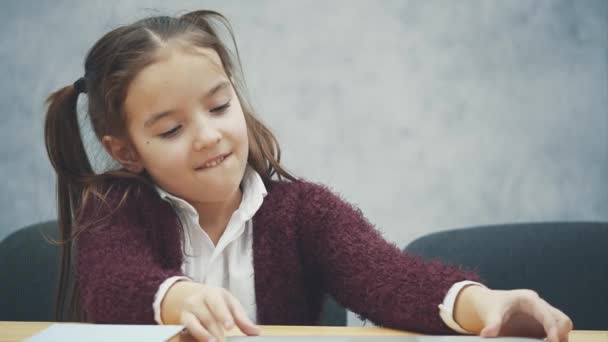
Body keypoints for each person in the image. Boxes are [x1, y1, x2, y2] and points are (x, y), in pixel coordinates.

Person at [43, 10, 572, 342]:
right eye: (172, 128)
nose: (208, 136)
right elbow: (114, 284)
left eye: (220, 105)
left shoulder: (303, 213)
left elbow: (390, 279)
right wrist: (182, 299)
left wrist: (488, 305)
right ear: (126, 150)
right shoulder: (113, 208)